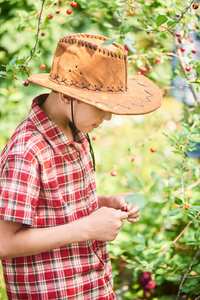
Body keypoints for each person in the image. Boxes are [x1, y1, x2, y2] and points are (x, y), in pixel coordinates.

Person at [0, 33, 162, 300]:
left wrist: (104, 202)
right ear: (67, 96)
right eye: (101, 107)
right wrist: (87, 227)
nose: (108, 116)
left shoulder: (77, 132)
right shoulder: (27, 151)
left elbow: (51, 207)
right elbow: (4, 242)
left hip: (92, 287)